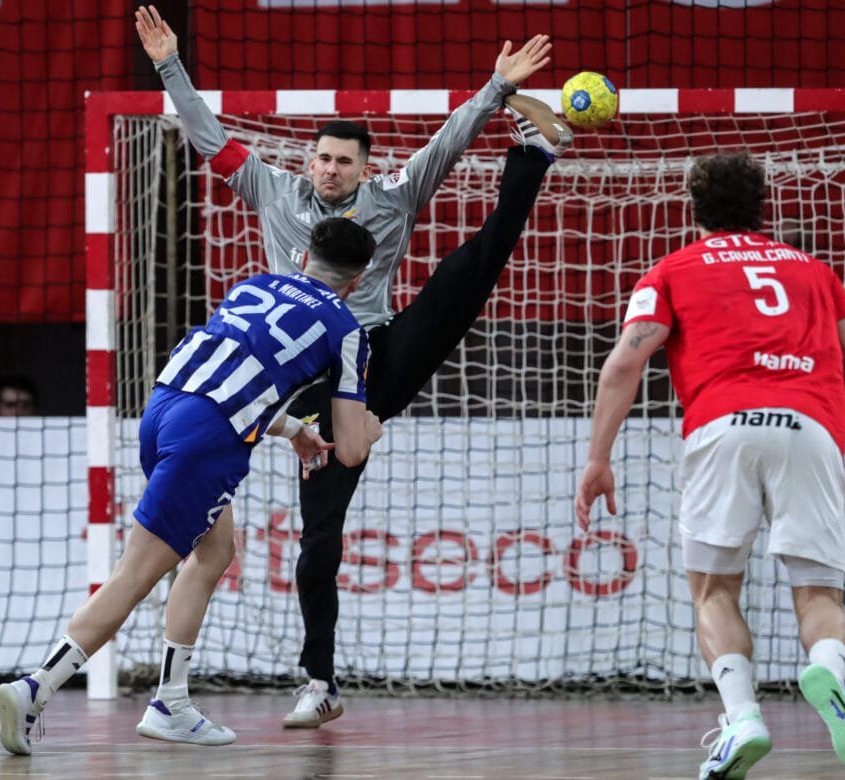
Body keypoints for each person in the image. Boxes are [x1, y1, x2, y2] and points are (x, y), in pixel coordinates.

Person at [134, 6, 572, 728]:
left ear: (365, 168)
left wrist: (495, 90)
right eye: (323, 158)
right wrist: (169, 65)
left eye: (344, 161)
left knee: (466, 277)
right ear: (309, 162)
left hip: (379, 351)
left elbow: (445, 145)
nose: (331, 169)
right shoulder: (274, 193)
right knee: (321, 533)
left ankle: (532, 159)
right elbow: (210, 139)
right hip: (307, 378)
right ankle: (321, 680)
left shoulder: (395, 198)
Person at [0, 218, 383, 755]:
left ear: (303, 256)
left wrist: (292, 429)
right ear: (359, 281)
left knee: (216, 548)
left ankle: (171, 701)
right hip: (210, 439)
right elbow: (351, 449)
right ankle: (35, 687)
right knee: (133, 576)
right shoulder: (346, 330)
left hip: (163, 410)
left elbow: (235, 376)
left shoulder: (253, 285)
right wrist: (370, 425)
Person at [574, 152, 845, 779]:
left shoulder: (670, 271)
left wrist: (598, 458)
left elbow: (625, 365)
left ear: (695, 205)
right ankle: (827, 667)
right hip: (810, 427)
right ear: (761, 204)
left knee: (714, 589)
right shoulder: (816, 272)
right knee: (819, 592)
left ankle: (742, 717)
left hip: (723, 427)